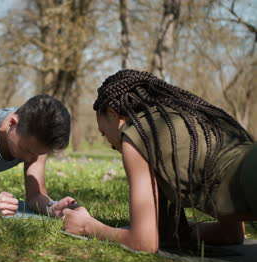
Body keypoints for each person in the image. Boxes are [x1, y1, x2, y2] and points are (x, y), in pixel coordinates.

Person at [62, 69, 256, 252]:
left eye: (103, 132)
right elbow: (231, 234)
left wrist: (87, 226)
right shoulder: (197, 123)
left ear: (113, 113)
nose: (110, 145)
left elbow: (144, 242)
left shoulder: (136, 133)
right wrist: (182, 233)